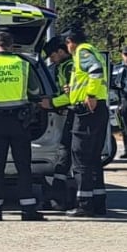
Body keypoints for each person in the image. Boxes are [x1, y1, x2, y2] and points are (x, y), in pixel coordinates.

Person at [0, 29, 51, 222]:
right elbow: (35, 90)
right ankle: (28, 209)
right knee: (23, 165)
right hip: (20, 122)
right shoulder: (22, 65)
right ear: (12, 46)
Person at [62, 27, 110, 216]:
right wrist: (72, 90)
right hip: (98, 111)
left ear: (70, 41)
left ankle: (84, 204)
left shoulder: (82, 51)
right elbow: (86, 77)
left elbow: (95, 71)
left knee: (80, 157)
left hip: (86, 112)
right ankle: (98, 202)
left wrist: (90, 95)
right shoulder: (92, 50)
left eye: (66, 44)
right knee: (93, 159)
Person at [40, 35, 77, 211]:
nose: (52, 60)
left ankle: (59, 196)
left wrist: (53, 103)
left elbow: (71, 95)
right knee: (65, 155)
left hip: (74, 113)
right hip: (69, 112)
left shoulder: (70, 66)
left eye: (53, 56)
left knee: (66, 154)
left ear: (61, 52)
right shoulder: (62, 66)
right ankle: (57, 195)